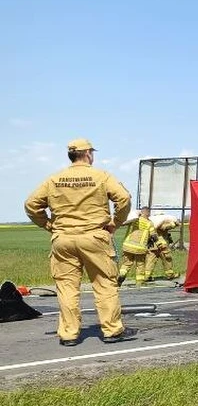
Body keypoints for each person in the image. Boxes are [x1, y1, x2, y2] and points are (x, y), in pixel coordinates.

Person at [24, 138, 134, 346]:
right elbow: (124, 199)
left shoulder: (54, 178)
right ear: (88, 153)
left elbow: (31, 204)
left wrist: (48, 225)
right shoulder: (101, 176)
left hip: (63, 240)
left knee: (67, 288)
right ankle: (111, 330)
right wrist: (115, 223)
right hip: (95, 238)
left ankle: (69, 334)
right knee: (104, 284)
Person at [118, 207, 154, 286]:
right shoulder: (150, 223)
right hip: (140, 248)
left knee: (126, 263)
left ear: (141, 212)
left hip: (128, 246)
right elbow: (153, 235)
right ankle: (139, 282)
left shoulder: (135, 219)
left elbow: (124, 223)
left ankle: (121, 275)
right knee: (140, 265)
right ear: (148, 213)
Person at [144, 213, 181, 280]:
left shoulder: (151, 223)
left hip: (152, 244)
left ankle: (147, 276)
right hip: (162, 244)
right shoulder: (163, 223)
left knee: (150, 260)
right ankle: (170, 275)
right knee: (167, 259)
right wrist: (174, 224)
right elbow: (165, 227)